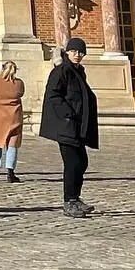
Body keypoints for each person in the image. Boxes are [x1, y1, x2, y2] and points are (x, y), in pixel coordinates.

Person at [40, 37, 100, 218]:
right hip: (66, 126)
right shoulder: (61, 71)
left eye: (81, 52)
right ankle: (69, 201)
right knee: (73, 163)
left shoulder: (78, 71)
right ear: (67, 52)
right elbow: (53, 96)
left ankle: (75, 198)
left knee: (82, 162)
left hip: (77, 126)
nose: (77, 55)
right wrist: (68, 113)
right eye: (74, 52)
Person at [0, 61, 26, 183]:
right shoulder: (19, 83)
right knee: (12, 145)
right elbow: (21, 93)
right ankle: (10, 172)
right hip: (13, 118)